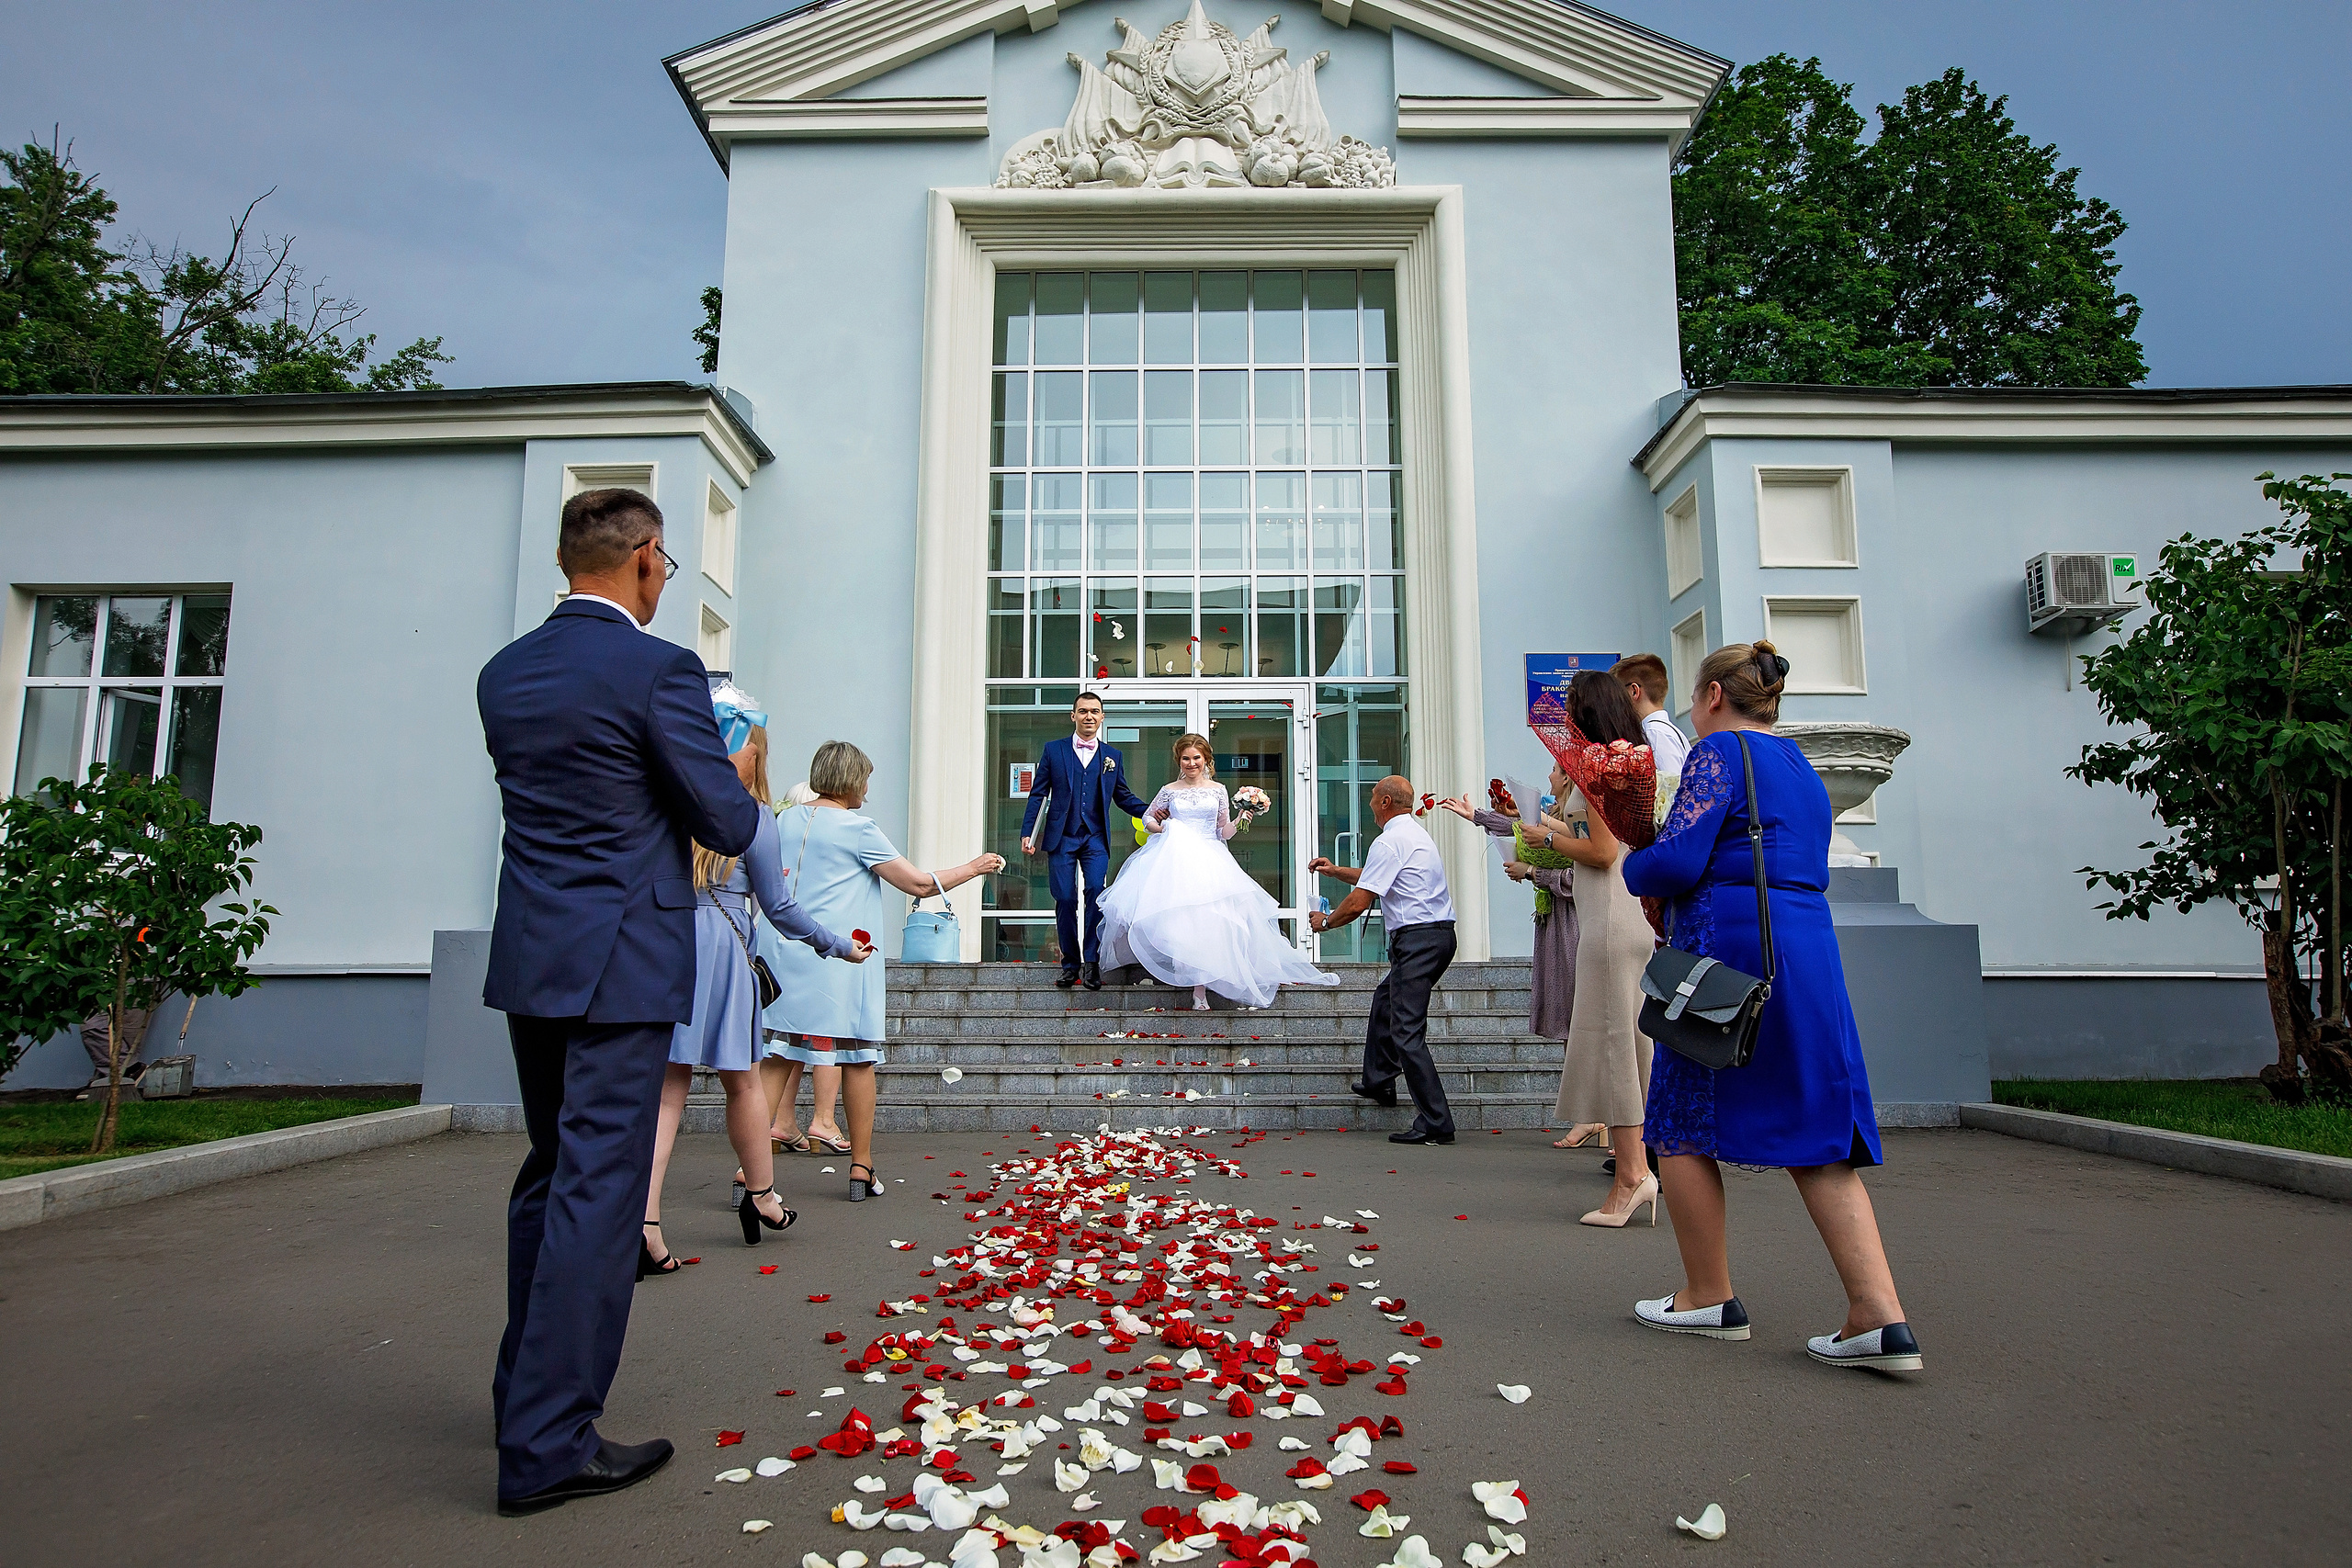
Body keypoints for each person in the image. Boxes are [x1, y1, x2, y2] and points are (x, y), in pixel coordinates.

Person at [476, 486, 760, 1514]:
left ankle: (523, 1401)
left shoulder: (506, 672)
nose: (663, 582)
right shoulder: (658, 670)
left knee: (550, 1174)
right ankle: (548, 1444)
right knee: (598, 1191)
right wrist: (730, 770)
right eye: (666, 566)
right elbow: (725, 822)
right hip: (622, 965)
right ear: (644, 558)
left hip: (535, 956)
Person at [1620, 641, 1922, 1372]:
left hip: (1728, 948)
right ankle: (1879, 1315)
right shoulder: (1801, 767)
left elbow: (1678, 859)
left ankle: (1707, 1295)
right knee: (1818, 1127)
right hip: (1806, 947)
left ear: (1713, 696)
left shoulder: (1718, 753)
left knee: (1680, 1119)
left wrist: (1636, 858)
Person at [639, 723, 867, 1275]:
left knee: (667, 1092)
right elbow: (780, 908)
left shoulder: (664, 802)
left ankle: (643, 1222)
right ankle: (762, 1195)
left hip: (664, 943)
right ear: (756, 756)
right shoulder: (750, 817)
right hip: (723, 951)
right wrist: (838, 945)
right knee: (742, 1082)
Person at [760, 739, 1003, 1201]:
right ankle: (861, 1166)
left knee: (777, 1056)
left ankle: (747, 1172)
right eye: (866, 780)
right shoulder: (858, 828)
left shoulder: (782, 819)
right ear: (851, 781)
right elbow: (917, 884)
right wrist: (973, 867)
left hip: (782, 953)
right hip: (841, 957)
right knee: (857, 1058)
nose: (868, 791)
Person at [1507, 672, 1657, 1226]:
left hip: (1611, 919)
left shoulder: (1598, 768)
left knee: (1616, 1046)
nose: (1565, 718)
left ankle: (1632, 1177)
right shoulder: (1623, 762)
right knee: (1624, 1046)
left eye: (1571, 707)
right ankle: (1636, 1169)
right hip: (1619, 915)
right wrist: (1537, 824)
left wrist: (1547, 838)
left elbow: (1602, 850)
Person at [1098, 732, 1339, 1010]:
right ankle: (1181, 974)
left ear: (1206, 760)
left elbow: (1222, 831)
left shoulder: (1218, 790)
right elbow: (1148, 817)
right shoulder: (1169, 790)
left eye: (1196, 758)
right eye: (1186, 758)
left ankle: (1200, 990)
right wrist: (1163, 829)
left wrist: (1241, 818)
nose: (1191, 763)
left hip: (1210, 858)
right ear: (1179, 760)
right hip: (1175, 859)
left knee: (1209, 922)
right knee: (1181, 920)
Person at [1309, 775, 1457, 1146]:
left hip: (1419, 941)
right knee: (1386, 1001)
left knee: (1406, 1031)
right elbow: (1374, 879)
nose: (1370, 803)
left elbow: (1359, 903)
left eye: (1373, 797)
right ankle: (1379, 1080)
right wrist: (1335, 871)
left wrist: (1325, 923)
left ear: (1386, 802)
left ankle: (1437, 1121)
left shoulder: (1389, 840)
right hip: (1436, 937)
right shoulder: (1413, 834)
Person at [1438, 769, 1582, 1145]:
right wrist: (1476, 816)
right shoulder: (1557, 813)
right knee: (1569, 1019)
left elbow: (1579, 876)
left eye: (1555, 770)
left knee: (1578, 1019)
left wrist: (1532, 871)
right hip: (1555, 918)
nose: (1549, 774)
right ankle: (1588, 1114)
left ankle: (1594, 1115)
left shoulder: (1574, 820)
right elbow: (1519, 828)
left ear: (1567, 779)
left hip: (1574, 923)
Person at [1022, 691, 1152, 989]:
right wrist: (1029, 832)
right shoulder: (1053, 750)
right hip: (1061, 837)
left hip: (1095, 837)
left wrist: (1152, 811)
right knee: (1065, 898)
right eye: (1083, 711)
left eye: (1094, 711)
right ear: (1073, 716)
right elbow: (1038, 794)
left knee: (1096, 892)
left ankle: (1091, 963)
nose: (1089, 716)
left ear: (1102, 717)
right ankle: (1070, 964)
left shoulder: (1112, 756)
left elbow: (1123, 796)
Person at [760, 783, 851, 1156]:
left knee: (786, 1043)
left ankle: (782, 1123)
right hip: (818, 944)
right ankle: (824, 1121)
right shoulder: (834, 838)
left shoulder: (778, 835)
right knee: (827, 1035)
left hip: (779, 947)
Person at [1613, 652, 1690, 775]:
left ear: (1634, 691)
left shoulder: (1654, 734)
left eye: (1617, 694)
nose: (1615, 702)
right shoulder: (1666, 732)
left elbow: (1669, 786)